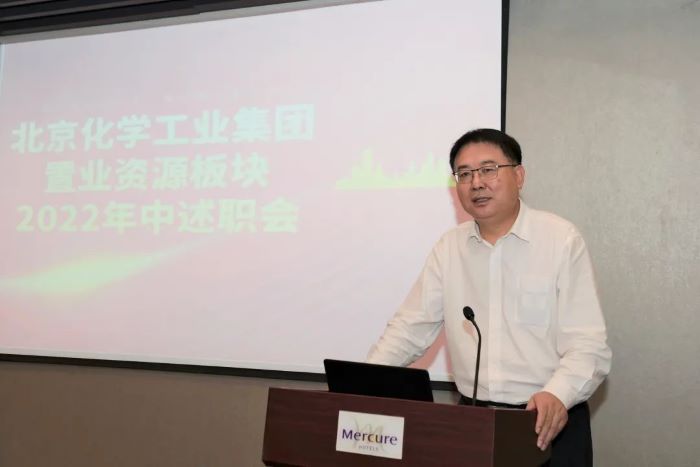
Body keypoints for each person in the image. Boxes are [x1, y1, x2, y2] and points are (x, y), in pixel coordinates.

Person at [367, 128, 611, 466]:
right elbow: (409, 329)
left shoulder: (560, 240)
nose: (476, 183)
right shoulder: (449, 248)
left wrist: (557, 394)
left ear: (519, 175)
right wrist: (361, 384)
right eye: (464, 174)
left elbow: (588, 346)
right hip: (472, 422)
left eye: (488, 169)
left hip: (547, 422)